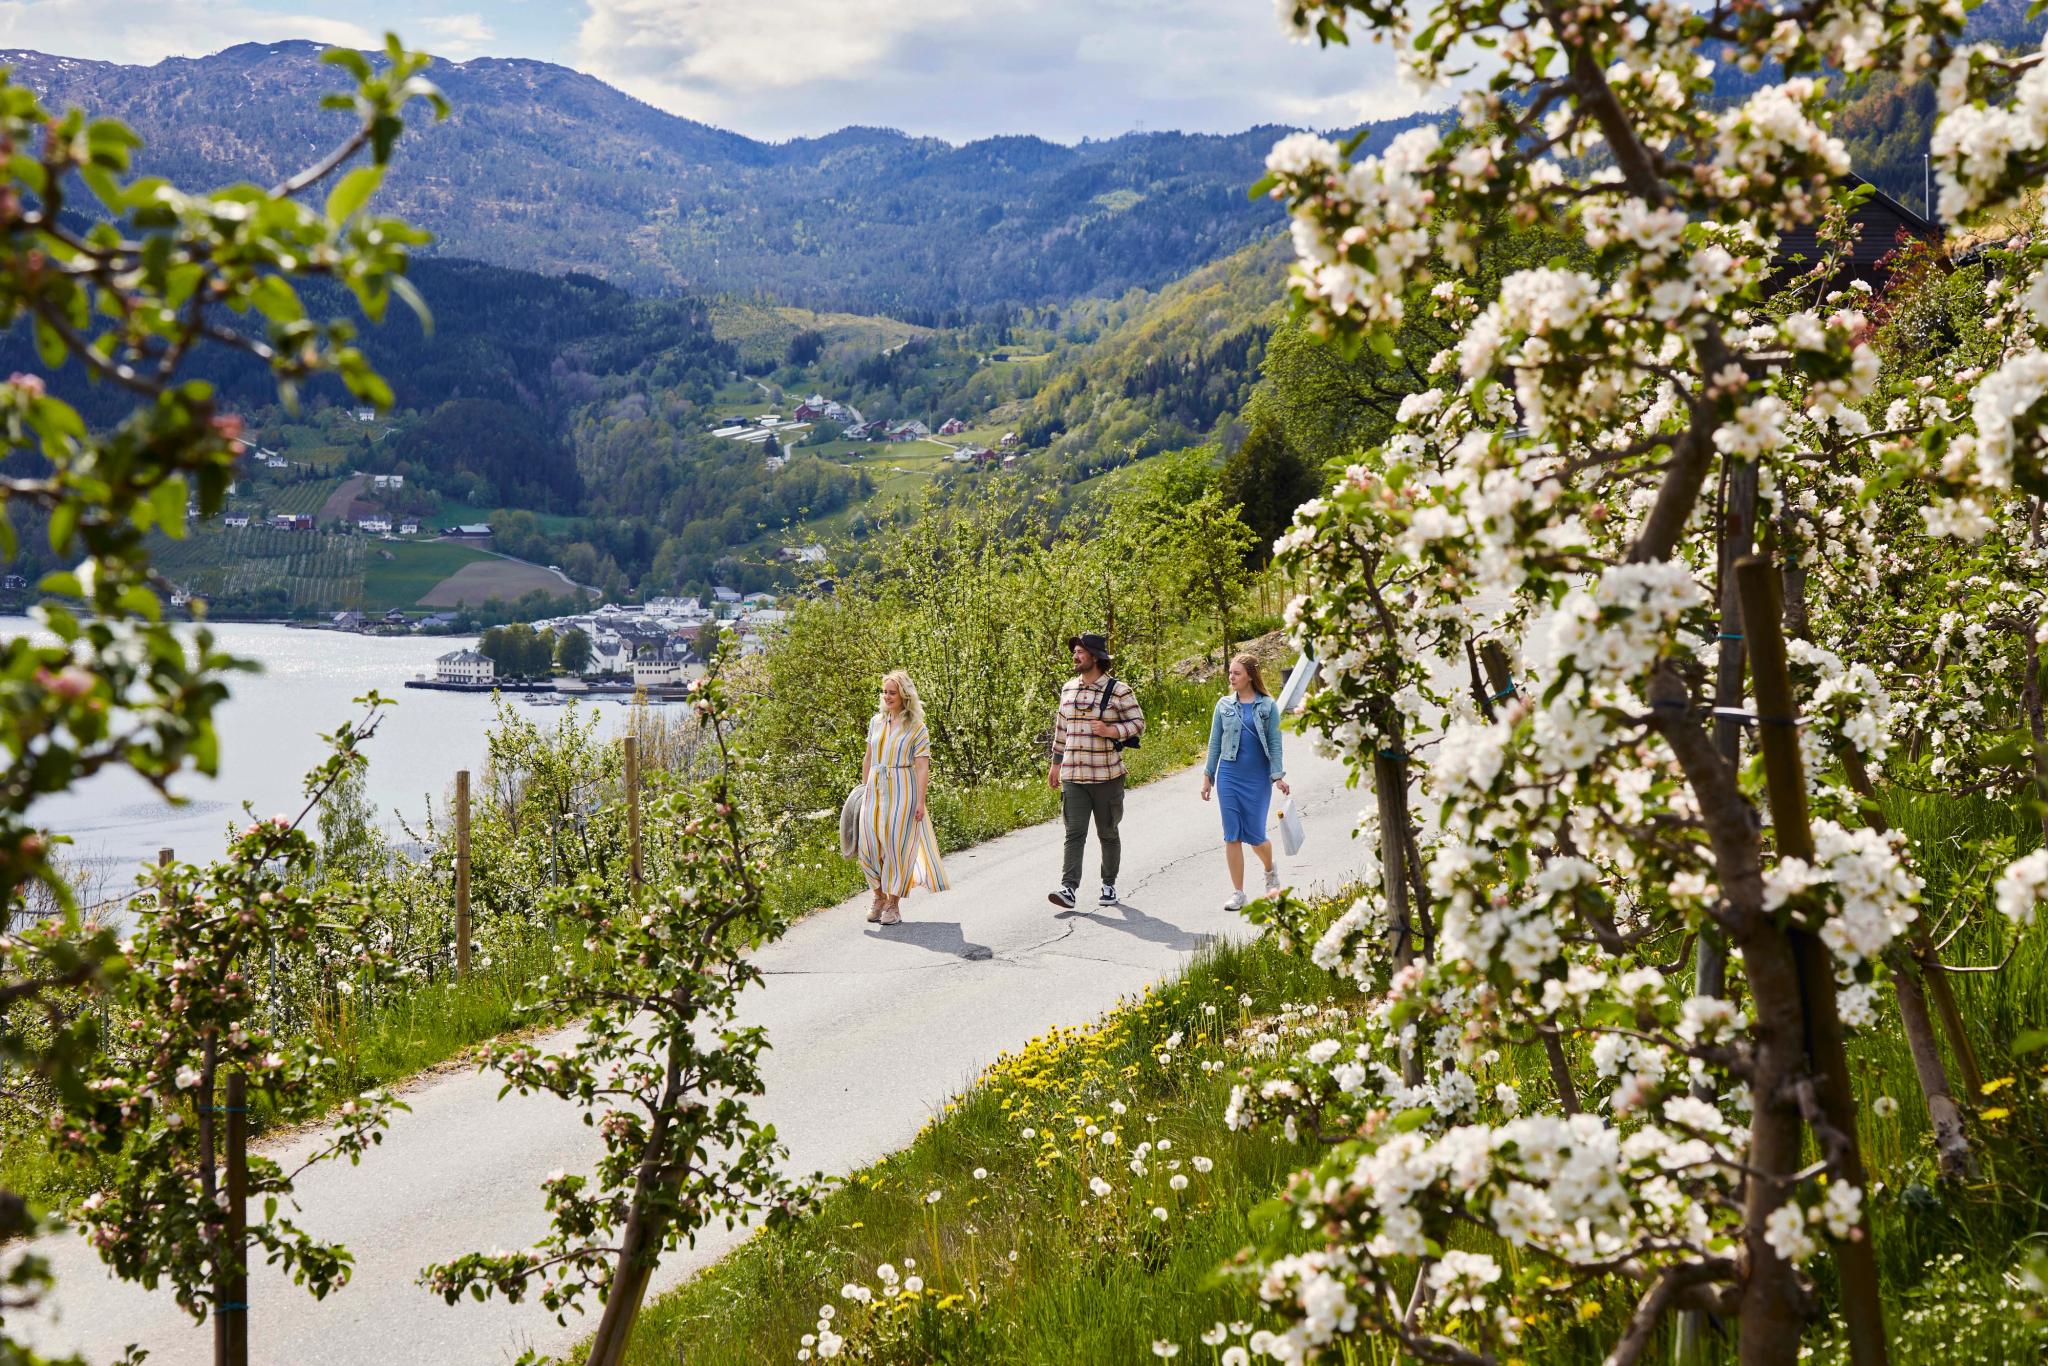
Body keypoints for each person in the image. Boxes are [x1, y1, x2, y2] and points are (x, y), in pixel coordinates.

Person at [1047, 632, 1145, 909]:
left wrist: (1111, 730)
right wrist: (1055, 764)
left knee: (1108, 833)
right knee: (1074, 832)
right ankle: (1068, 889)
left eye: (1080, 652)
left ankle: (1108, 885)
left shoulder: (1119, 690)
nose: (1075, 656)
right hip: (1073, 776)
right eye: (1074, 652)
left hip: (1107, 776)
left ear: (1095, 656)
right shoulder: (1068, 688)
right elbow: (1061, 730)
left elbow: (1138, 723)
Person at [1201, 652, 1291, 911]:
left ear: (1250, 676)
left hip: (1257, 777)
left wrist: (1278, 776)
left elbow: (1275, 744)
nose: (1231, 677)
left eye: (1237, 673)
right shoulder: (1223, 705)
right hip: (1229, 774)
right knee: (1232, 835)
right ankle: (1238, 892)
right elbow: (1214, 743)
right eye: (1230, 672)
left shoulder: (1267, 706)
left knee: (1255, 836)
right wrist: (1208, 777)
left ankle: (1269, 870)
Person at [859, 670, 949, 926]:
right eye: (884, 692)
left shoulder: (917, 728)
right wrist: (863, 789)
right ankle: (877, 895)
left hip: (902, 788)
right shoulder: (876, 721)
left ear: (904, 696)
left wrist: (920, 802)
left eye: (892, 692)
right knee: (868, 846)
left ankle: (892, 904)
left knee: (896, 846)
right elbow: (868, 757)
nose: (887, 697)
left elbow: (922, 767)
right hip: (875, 788)